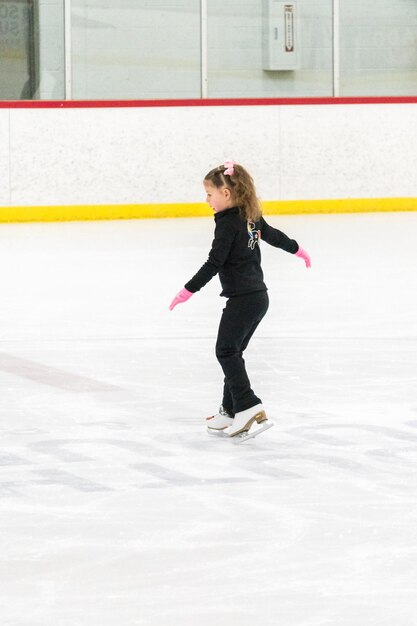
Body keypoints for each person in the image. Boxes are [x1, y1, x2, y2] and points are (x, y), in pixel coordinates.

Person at [169, 161, 311, 438]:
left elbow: (214, 262)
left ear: (226, 193)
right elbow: (274, 236)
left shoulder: (227, 224)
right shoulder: (249, 215)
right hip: (258, 297)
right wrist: (298, 250)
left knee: (226, 351)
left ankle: (247, 405)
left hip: (243, 300)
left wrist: (187, 290)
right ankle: (229, 409)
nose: (206, 200)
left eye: (209, 194)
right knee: (233, 351)